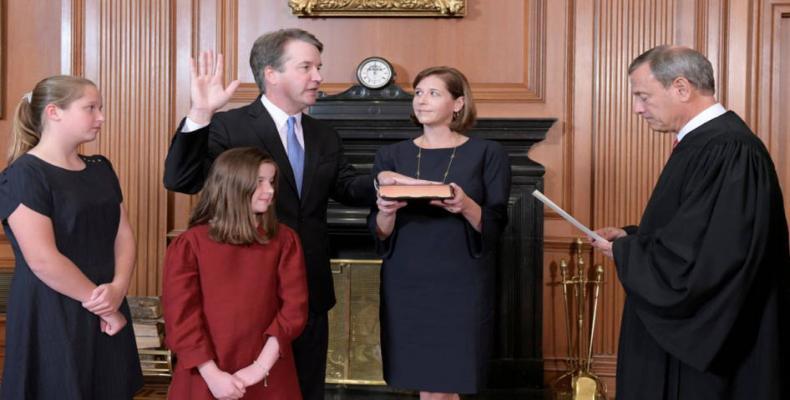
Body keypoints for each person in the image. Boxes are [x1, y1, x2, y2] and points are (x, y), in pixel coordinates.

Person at [162, 28, 377, 399]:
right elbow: (181, 179)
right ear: (271, 74)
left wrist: (385, 185)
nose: (319, 77)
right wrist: (200, 112)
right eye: (306, 66)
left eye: (319, 67)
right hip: (247, 300)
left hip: (307, 293)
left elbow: (347, 187)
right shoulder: (229, 126)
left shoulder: (325, 136)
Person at [590, 46, 790, 399]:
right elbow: (694, 230)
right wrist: (633, 238)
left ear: (681, 88)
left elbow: (712, 259)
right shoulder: (707, 145)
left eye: (642, 96)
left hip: (717, 350)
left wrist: (628, 252)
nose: (637, 108)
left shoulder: (729, 149)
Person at [369, 66, 511, 400]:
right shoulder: (390, 156)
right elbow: (378, 231)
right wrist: (386, 213)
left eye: (433, 93)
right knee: (425, 382)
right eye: (418, 93)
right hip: (407, 278)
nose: (421, 100)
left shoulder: (488, 153)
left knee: (449, 382)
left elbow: (497, 222)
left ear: (458, 103)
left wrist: (465, 205)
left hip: (460, 280)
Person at [0, 76, 143, 399]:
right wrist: (105, 307)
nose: (101, 117)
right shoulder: (24, 174)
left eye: (100, 108)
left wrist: (118, 289)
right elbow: (42, 260)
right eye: (90, 108)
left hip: (108, 300)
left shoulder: (100, 167)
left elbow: (123, 235)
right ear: (54, 112)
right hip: (52, 308)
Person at [162, 147, 308, 399]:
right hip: (203, 371)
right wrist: (212, 375)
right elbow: (181, 318)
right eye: (259, 182)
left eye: (271, 181)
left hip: (270, 371)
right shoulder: (189, 245)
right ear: (232, 185)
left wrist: (259, 368)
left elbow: (294, 310)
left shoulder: (285, 241)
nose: (270, 191)